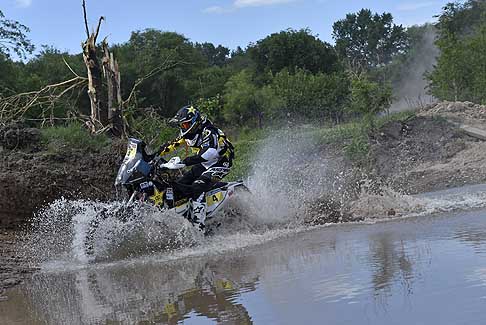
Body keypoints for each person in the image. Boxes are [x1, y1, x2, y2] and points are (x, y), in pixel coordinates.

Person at [159, 105, 234, 230]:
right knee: (179, 186)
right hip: (205, 164)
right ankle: (186, 214)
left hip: (221, 162)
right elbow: (172, 145)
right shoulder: (189, 134)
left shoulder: (209, 131)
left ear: (194, 122)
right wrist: (154, 155)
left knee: (198, 186)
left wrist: (184, 162)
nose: (183, 128)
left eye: (186, 125)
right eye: (182, 125)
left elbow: (209, 153)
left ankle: (199, 225)